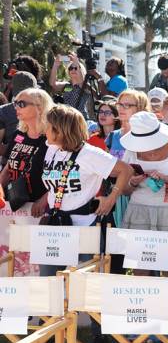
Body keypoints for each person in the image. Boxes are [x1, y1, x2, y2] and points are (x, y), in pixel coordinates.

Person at [38, 105, 131, 274]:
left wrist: (111, 198)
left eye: (49, 125)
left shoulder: (90, 154)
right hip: (55, 225)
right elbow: (57, 185)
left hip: (84, 227)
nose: (45, 129)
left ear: (61, 130)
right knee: (48, 280)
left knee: (84, 286)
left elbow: (126, 170)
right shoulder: (51, 148)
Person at [119, 112, 168, 237]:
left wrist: (167, 178)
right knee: (136, 256)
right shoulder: (130, 152)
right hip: (137, 213)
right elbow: (125, 191)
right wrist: (133, 182)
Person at [0, 87, 53, 216]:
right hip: (15, 204)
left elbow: (63, 174)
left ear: (40, 107)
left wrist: (44, 200)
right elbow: (8, 169)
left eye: (21, 104)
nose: (16, 107)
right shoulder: (18, 135)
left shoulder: (52, 138)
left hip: (41, 208)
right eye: (15, 103)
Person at [0, 71, 38, 159]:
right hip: (12, 166)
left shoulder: (3, 111)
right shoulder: (3, 112)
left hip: (36, 165)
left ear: (12, 87)